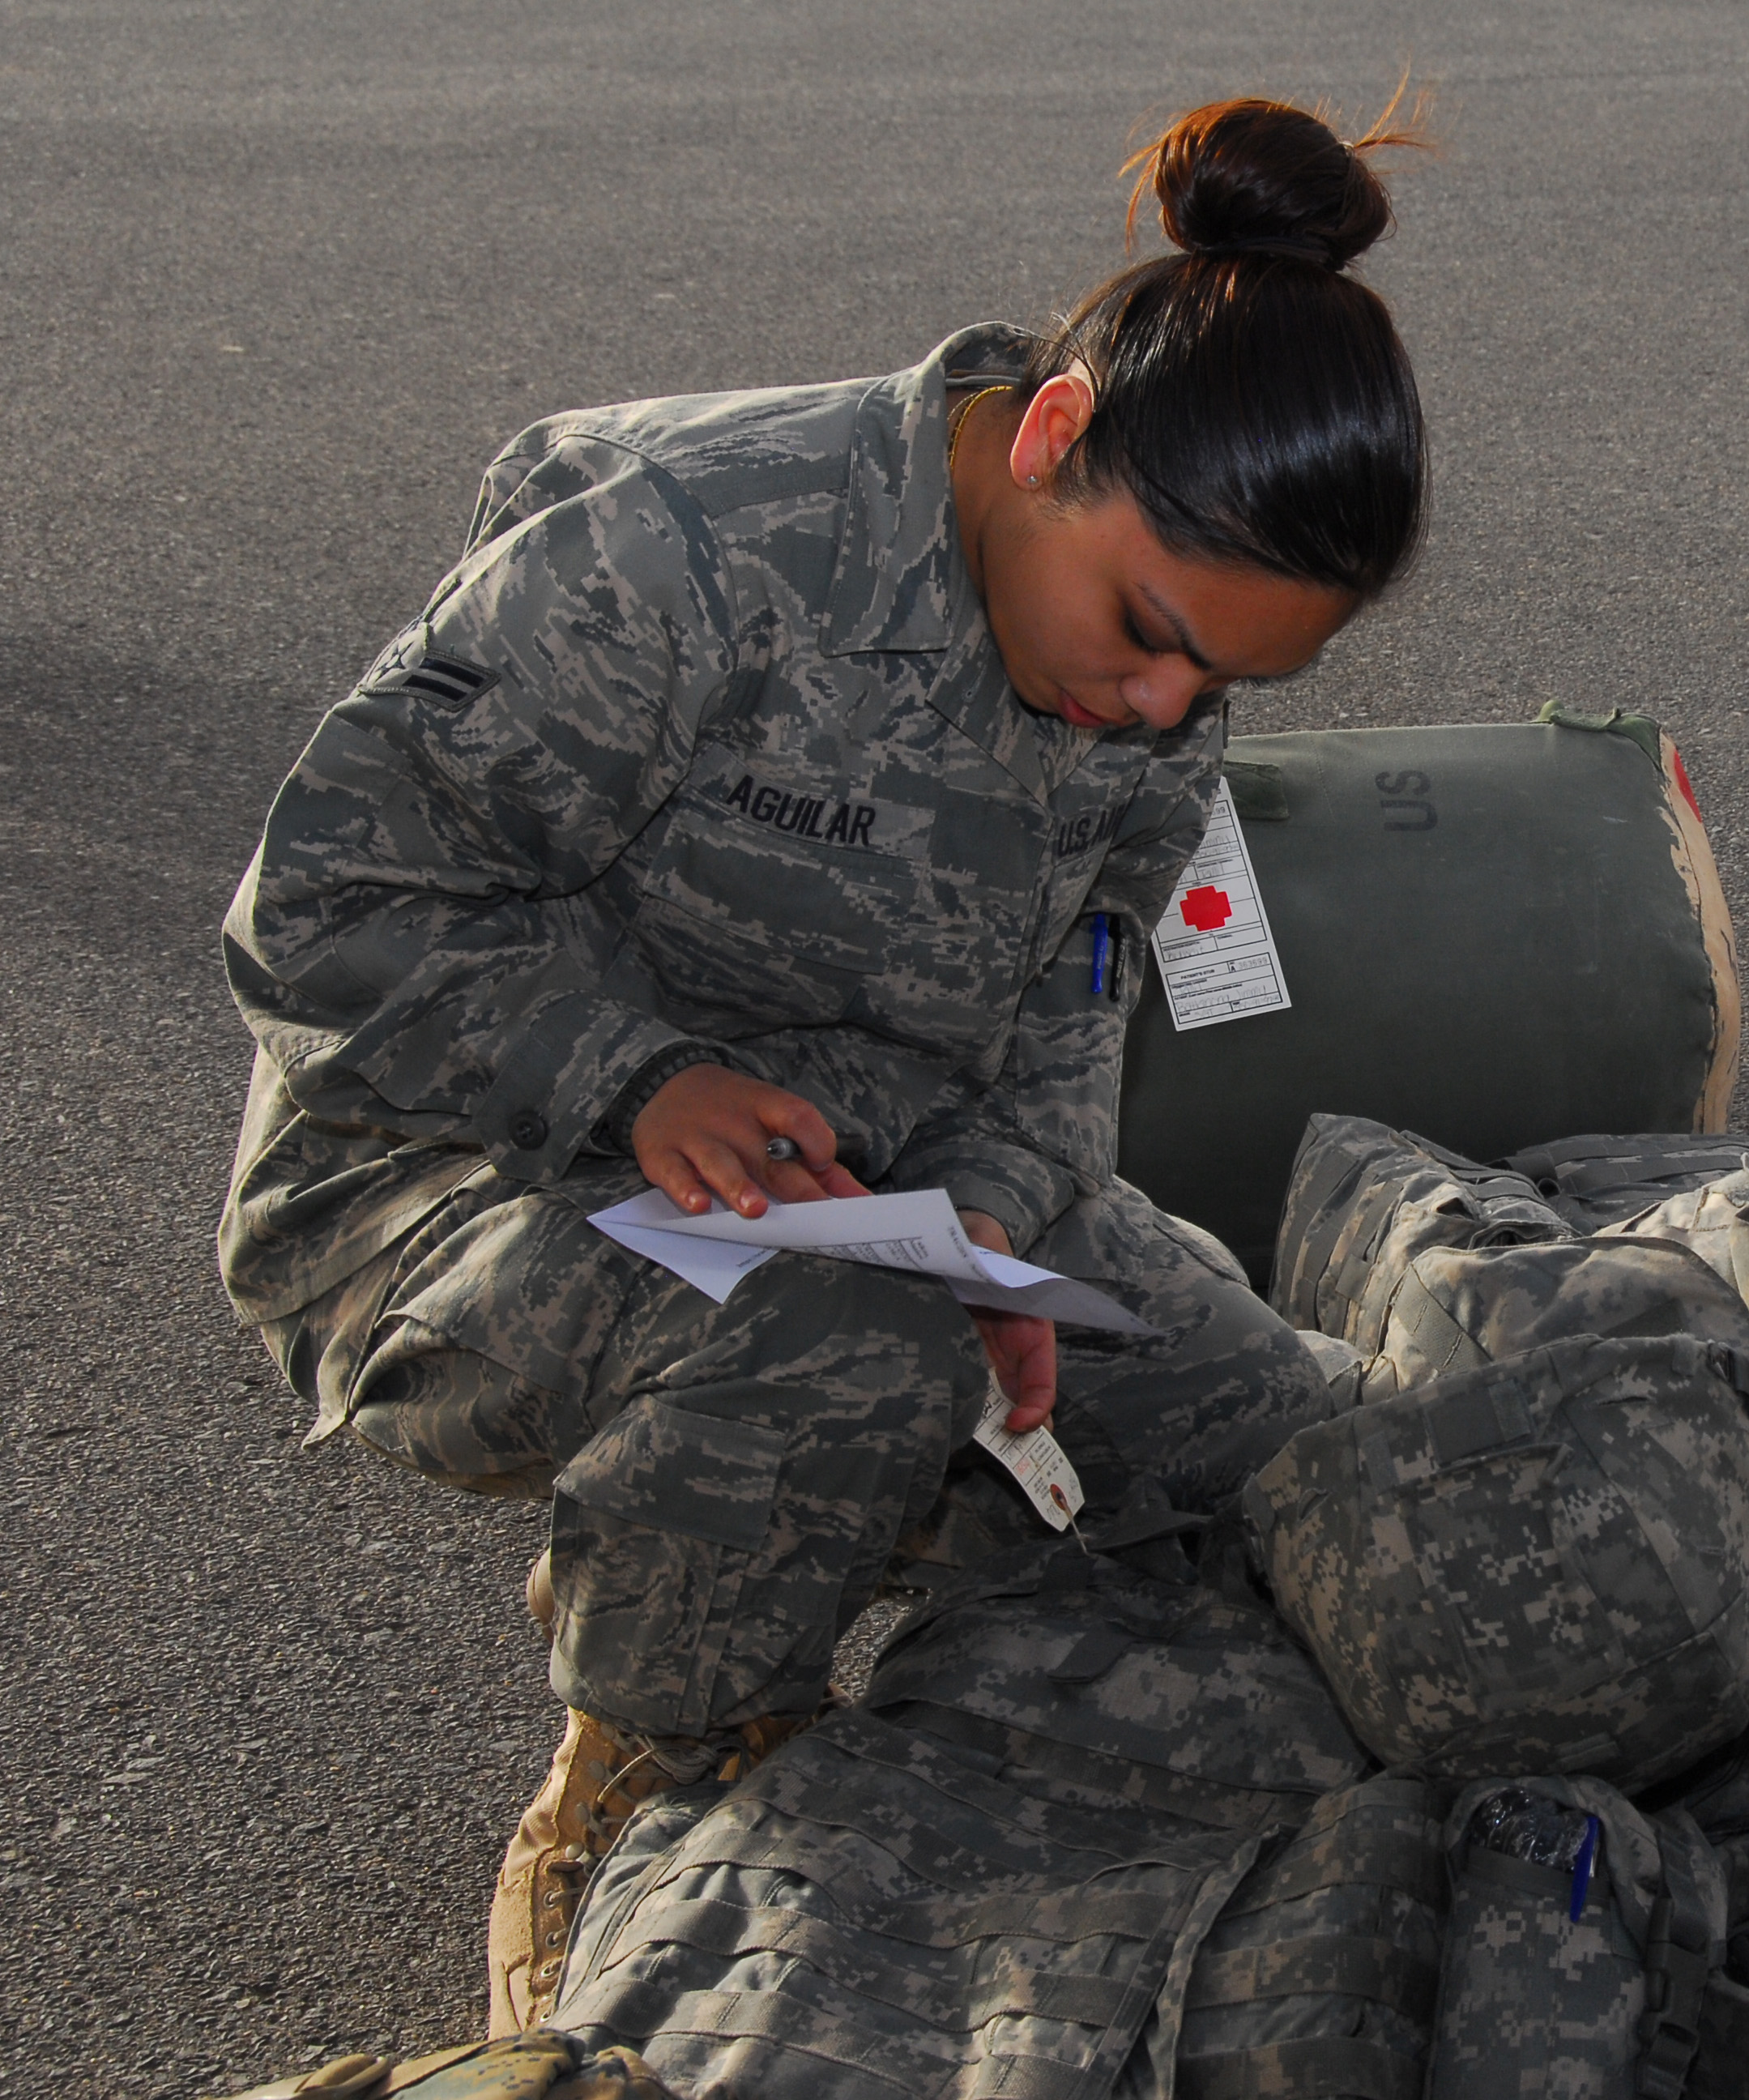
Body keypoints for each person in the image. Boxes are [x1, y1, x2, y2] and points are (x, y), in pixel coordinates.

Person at [215, 95, 1426, 2034]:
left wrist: (1000, 1226)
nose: (1160, 707)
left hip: (866, 1178)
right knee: (845, 1344)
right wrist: (635, 1081)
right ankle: (656, 1755)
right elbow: (324, 908)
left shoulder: (1153, 688)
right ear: (1050, 435)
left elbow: (1073, 997)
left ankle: (771, 1510)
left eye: (1223, 682)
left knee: (1272, 1446)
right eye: (1146, 634)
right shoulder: (692, 552)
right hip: (450, 1162)